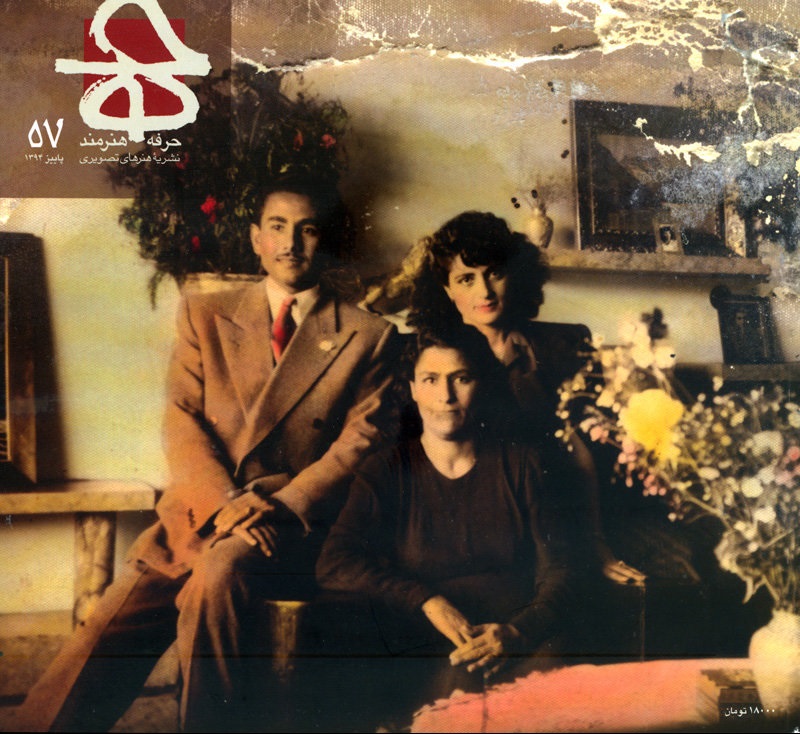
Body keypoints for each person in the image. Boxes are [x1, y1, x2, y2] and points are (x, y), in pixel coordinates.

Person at [15, 175, 401, 733]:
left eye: (308, 229)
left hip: (290, 525)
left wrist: (273, 506)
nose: (291, 243)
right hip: (203, 510)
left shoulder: (367, 335)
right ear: (256, 239)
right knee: (115, 618)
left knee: (218, 577)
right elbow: (182, 420)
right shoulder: (206, 314)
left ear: (326, 241)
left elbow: (358, 444)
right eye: (278, 227)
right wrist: (225, 505)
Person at [316, 325, 593, 729]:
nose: (445, 396)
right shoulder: (385, 470)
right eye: (431, 380)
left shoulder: (523, 464)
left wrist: (519, 631)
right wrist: (425, 600)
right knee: (453, 699)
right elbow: (334, 563)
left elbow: (563, 567)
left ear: (482, 385)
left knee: (554, 690)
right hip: (430, 644)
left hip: (516, 638)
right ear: (413, 389)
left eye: (461, 378)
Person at [406, 210, 643, 585]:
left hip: (548, 513)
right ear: (447, 290)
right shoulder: (429, 358)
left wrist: (598, 546)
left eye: (495, 274)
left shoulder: (559, 346)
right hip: (467, 520)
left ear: (514, 275)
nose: (484, 292)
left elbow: (577, 452)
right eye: (466, 279)